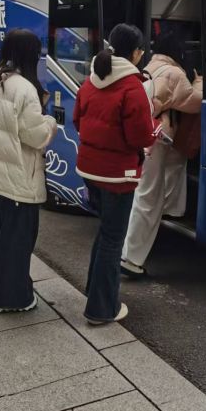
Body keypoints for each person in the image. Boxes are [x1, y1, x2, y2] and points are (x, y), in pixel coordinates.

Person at [74, 23, 155, 324]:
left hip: (89, 169)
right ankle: (101, 309)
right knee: (112, 239)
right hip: (118, 175)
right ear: (134, 53)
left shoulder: (92, 80)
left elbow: (78, 121)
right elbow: (141, 137)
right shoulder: (133, 87)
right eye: (141, 50)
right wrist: (154, 133)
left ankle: (94, 290)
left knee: (104, 231)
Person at [0, 29, 57, 312]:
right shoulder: (25, 88)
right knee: (18, 238)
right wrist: (49, 121)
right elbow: (35, 136)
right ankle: (11, 298)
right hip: (18, 174)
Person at [121, 31, 202, 278]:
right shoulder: (175, 73)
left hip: (149, 136)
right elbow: (194, 101)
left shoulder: (152, 65)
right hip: (155, 139)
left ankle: (168, 211)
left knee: (170, 170)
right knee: (148, 197)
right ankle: (130, 258)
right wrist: (200, 81)